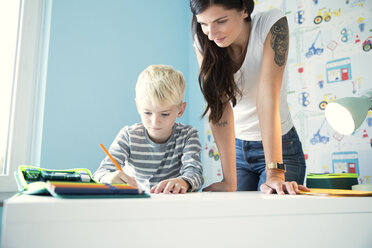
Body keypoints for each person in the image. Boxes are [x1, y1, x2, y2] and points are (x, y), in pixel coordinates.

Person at [189, 0, 309, 194]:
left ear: (244, 9)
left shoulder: (271, 24)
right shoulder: (202, 40)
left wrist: (275, 173)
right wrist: (228, 180)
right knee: (239, 222)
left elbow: (267, 97)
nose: (211, 34)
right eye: (203, 24)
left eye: (220, 21)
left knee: (272, 216)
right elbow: (218, 107)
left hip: (280, 147)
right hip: (237, 149)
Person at [93, 65, 204, 194]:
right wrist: (108, 177)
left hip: (173, 205)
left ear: (181, 110)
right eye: (147, 113)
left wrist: (183, 182)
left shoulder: (188, 135)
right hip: (136, 204)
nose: (155, 121)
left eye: (164, 114)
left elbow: (195, 174)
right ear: (138, 107)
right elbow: (100, 173)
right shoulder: (129, 136)